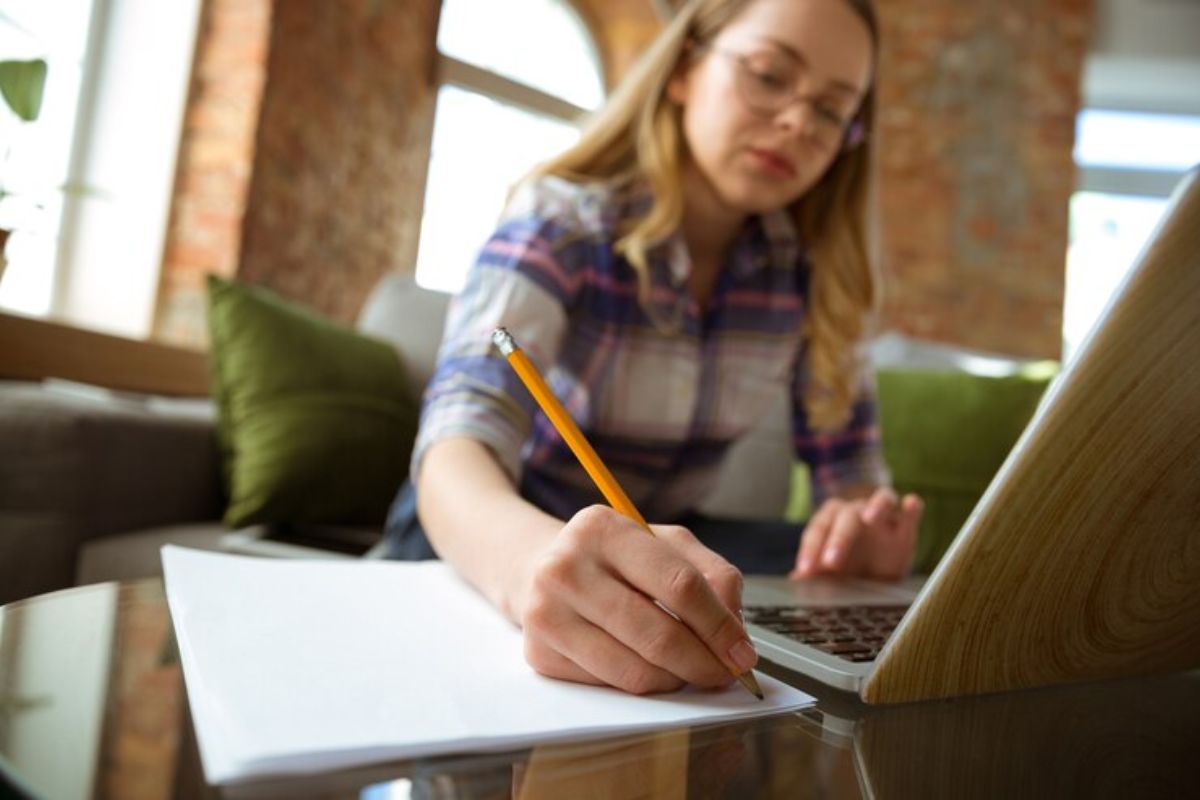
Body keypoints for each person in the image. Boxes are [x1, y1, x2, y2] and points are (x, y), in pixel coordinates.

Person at [386, 0, 923, 695]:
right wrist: (530, 570)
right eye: (768, 75)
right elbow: (458, 447)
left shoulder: (815, 277)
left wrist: (860, 531)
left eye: (830, 110)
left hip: (664, 542)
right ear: (682, 68)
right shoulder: (561, 221)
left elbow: (851, 481)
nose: (796, 121)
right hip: (503, 525)